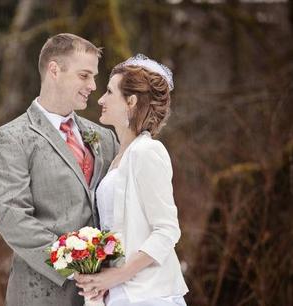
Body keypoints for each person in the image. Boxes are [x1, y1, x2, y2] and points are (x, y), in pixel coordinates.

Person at [0, 33, 118, 306]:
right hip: (42, 293)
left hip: (108, 294)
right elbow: (12, 217)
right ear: (54, 70)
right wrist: (75, 266)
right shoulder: (12, 138)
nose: (93, 85)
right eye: (84, 76)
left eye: (94, 76)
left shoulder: (105, 138)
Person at [75, 54, 189, 306]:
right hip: (118, 294)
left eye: (109, 92)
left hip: (147, 294)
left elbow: (167, 230)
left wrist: (118, 274)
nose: (101, 99)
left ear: (131, 101)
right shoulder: (118, 157)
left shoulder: (147, 151)